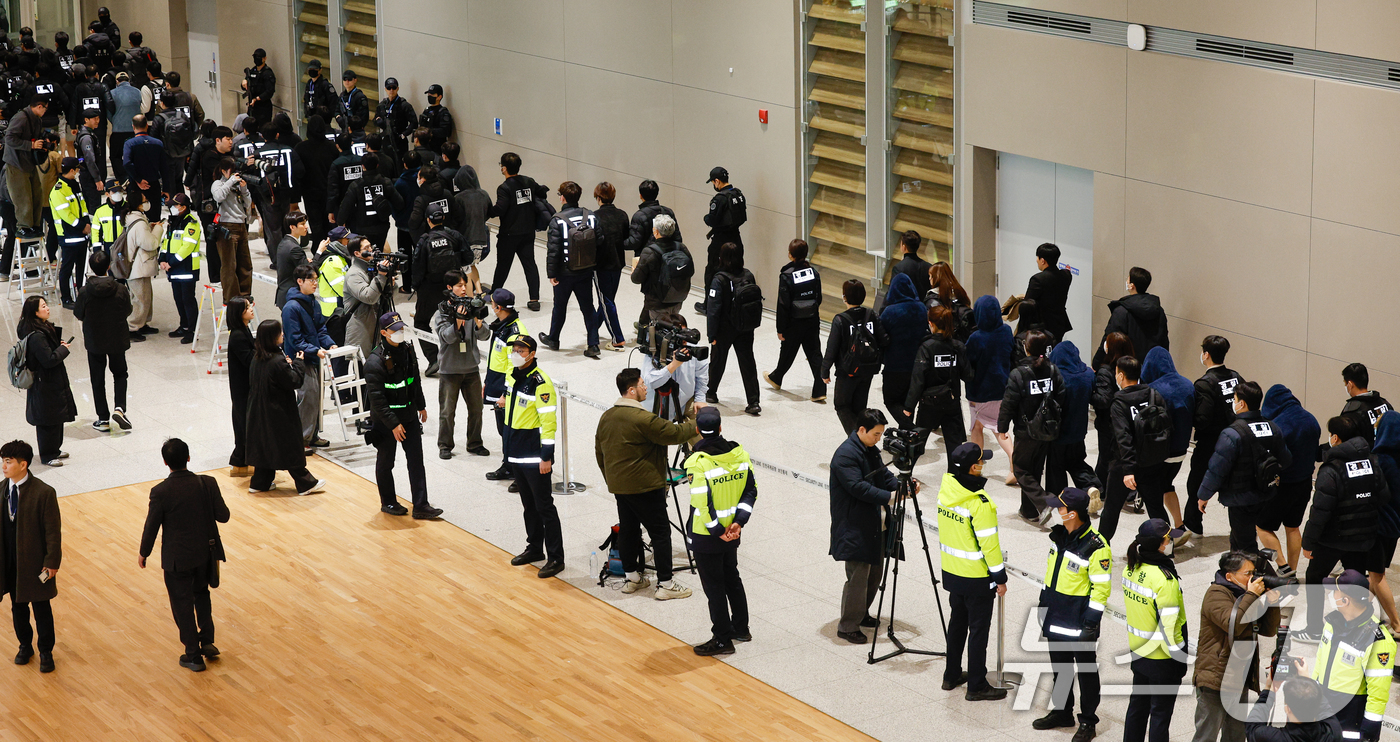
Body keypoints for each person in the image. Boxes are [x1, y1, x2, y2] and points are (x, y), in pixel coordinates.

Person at [595, 368, 697, 600]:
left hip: (620, 486)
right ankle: (666, 584)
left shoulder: (607, 416)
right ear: (631, 390)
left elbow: (599, 451)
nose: (645, 388)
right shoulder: (643, 418)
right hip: (645, 487)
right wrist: (697, 422)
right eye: (642, 384)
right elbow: (673, 433)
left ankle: (632, 578)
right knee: (660, 533)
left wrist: (612, 479)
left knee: (629, 530)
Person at [139, 438, 229, 673]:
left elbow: (152, 526)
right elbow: (224, 516)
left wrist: (144, 552)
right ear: (188, 457)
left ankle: (193, 655)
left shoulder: (160, 492)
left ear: (165, 462)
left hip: (177, 559)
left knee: (182, 604)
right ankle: (207, 640)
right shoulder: (207, 483)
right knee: (202, 595)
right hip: (205, 554)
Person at [1295, 416, 1389, 640]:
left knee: (1315, 578)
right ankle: (1360, 628)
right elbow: (1384, 496)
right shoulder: (1372, 462)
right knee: (1357, 584)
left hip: (1332, 539)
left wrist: (1308, 542)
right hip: (1363, 537)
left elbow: (1320, 512)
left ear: (1335, 438)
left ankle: (1315, 629)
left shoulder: (1331, 470)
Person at [1034, 488, 1111, 738]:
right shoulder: (1058, 538)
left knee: (1086, 672)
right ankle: (1063, 711)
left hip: (1079, 622)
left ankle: (1088, 721)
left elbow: (1101, 589)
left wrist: (1091, 623)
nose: (1057, 511)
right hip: (1055, 615)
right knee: (1061, 668)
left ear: (1073, 514)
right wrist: (1044, 602)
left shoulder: (1096, 547)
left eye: (1061, 508)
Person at [937, 442, 1008, 702]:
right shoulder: (980, 503)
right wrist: (1000, 577)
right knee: (979, 631)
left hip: (952, 572)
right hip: (977, 578)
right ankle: (977, 685)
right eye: (982, 462)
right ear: (974, 467)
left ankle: (951, 674)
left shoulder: (946, 491)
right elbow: (990, 546)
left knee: (957, 624)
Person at [684, 407, 755, 656]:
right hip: (733, 532)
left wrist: (716, 531)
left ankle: (723, 639)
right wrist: (739, 522)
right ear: (721, 427)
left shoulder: (697, 462)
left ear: (697, 431)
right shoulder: (740, 454)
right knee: (732, 578)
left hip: (708, 535)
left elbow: (702, 503)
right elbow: (750, 492)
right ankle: (741, 628)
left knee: (714, 587)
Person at [829, 409, 904, 644]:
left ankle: (862, 614)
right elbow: (858, 487)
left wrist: (902, 485)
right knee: (858, 577)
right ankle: (848, 625)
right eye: (876, 434)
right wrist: (890, 497)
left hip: (876, 523)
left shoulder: (870, 449)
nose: (879, 439)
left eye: (881, 434)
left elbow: (883, 475)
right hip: (855, 526)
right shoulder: (845, 455)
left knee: (875, 574)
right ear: (861, 430)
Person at [1192, 551, 1281, 742]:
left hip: (1239, 676)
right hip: (1216, 678)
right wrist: (1251, 595)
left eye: (1253, 573)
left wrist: (1272, 604)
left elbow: (1268, 630)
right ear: (1230, 576)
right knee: (1206, 735)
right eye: (1247, 574)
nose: (1253, 578)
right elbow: (1235, 624)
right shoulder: (1216, 594)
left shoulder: (1247, 595)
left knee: (1236, 736)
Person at [1196, 381, 1293, 553]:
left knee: (1246, 547)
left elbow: (1216, 470)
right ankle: (1236, 572)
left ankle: (1257, 575)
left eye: (1234, 399)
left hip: (1240, 499)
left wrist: (1204, 495)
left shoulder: (1232, 434)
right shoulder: (1273, 427)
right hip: (1266, 493)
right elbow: (1285, 460)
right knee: (1239, 538)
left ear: (1241, 403)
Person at [363, 312, 442, 520]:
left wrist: (421, 405)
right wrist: (393, 424)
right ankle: (388, 501)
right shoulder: (374, 362)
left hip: (408, 415)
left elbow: (414, 380)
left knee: (416, 461)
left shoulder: (407, 350)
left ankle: (421, 505)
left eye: (401, 329)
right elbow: (377, 401)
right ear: (383, 333)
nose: (400, 333)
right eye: (395, 330)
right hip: (386, 422)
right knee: (386, 462)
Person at [499, 335, 563, 578]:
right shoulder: (514, 376)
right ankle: (535, 548)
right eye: (514, 348)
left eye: (521, 349)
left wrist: (546, 456)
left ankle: (556, 557)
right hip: (515, 453)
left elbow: (549, 423)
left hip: (535, 457)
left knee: (544, 507)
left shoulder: (540, 383)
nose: (516, 352)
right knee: (529, 506)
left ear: (532, 353)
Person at [1121, 519, 1189, 742]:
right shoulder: (1164, 579)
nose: (1170, 541)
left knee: (1138, 707)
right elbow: (1170, 628)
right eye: (1169, 538)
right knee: (1160, 714)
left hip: (1139, 651)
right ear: (1161, 544)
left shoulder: (1130, 569)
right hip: (1163, 658)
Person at [1307, 570, 1395, 741]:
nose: (1331, 595)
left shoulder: (1379, 641)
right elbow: (1320, 661)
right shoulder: (1332, 624)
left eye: (1335, 592)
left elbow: (1378, 693)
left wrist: (1369, 730)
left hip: (1350, 716)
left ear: (1345, 600)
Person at [0, 439, 62, 674]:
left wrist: (51, 563)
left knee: (41, 608)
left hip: (36, 565)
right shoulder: (2, 490)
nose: (4, 467)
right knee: (18, 608)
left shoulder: (44, 493)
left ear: (23, 464)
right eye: (3, 461)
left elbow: (53, 531)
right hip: (10, 563)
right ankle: (25, 645)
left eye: (8, 462)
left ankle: (46, 650)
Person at [245, 320, 326, 496]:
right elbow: (294, 381)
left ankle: (260, 482)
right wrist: (298, 363)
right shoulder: (276, 361)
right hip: (278, 413)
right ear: (272, 337)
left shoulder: (257, 358)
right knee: (288, 445)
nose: (283, 334)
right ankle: (305, 483)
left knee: (265, 445)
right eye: (279, 332)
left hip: (258, 410)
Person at [1097, 356, 1174, 542]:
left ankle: (1099, 548)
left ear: (1121, 375)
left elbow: (1124, 438)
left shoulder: (1119, 402)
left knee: (1111, 509)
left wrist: (1129, 470)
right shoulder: (1154, 395)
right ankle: (1166, 545)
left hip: (1125, 466)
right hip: (1153, 462)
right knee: (1155, 507)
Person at [999, 329, 1066, 525]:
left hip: (1025, 430)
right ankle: (1029, 511)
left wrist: (1002, 427)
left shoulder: (1019, 374)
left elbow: (1009, 403)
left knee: (1020, 469)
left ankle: (1044, 502)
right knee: (1035, 469)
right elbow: (1062, 394)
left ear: (1026, 348)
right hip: (1048, 429)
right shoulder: (1053, 370)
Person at [1256, 385, 1320, 579]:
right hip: (1304, 484)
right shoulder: (1311, 419)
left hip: (1282, 485)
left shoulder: (1279, 425)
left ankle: (1283, 566)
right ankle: (1292, 570)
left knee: (1262, 526)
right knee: (1293, 528)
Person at [1185, 335, 1244, 541]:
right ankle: (1239, 531)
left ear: (1206, 355)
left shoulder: (1204, 384)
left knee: (1196, 484)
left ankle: (1193, 526)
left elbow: (1202, 418)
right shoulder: (1236, 376)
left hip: (1211, 443)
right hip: (1237, 438)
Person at [433, 270, 491, 459]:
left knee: (476, 410)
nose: (464, 288)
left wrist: (478, 322)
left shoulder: (472, 306)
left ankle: (474, 443)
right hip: (450, 371)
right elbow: (447, 338)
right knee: (447, 412)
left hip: (471, 370)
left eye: (465, 284)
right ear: (449, 288)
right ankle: (445, 445)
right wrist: (458, 320)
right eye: (459, 285)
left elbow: (485, 336)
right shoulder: (442, 312)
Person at [71, 250, 131, 432]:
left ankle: (103, 418)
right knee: (120, 374)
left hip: (94, 340)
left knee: (98, 379)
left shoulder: (84, 291)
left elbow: (78, 313)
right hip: (117, 338)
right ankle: (119, 408)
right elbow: (128, 310)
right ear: (108, 266)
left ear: (91, 267)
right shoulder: (121, 289)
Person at [541, 180, 601, 358]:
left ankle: (554, 339)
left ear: (563, 198)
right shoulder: (590, 216)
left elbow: (554, 250)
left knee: (560, 307)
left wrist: (552, 274)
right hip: (585, 271)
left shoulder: (557, 221)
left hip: (564, 274)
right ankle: (593, 344)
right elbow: (600, 240)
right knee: (588, 308)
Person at [1142, 347, 1196, 543]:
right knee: (1167, 484)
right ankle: (1179, 526)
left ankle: (1165, 537)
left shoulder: (1154, 389)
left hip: (1160, 451)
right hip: (1181, 450)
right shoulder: (1188, 385)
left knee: (1154, 492)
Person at [823, 280, 888, 434]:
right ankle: (863, 440)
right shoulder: (871, 314)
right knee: (860, 408)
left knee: (842, 405)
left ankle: (858, 440)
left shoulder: (840, 320)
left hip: (848, 371)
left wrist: (825, 370)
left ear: (844, 297)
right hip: (868, 369)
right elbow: (884, 339)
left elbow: (832, 348)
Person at [905, 305, 970, 457]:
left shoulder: (926, 347)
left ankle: (906, 476)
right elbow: (967, 374)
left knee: (917, 442)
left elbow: (918, 379)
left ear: (931, 324)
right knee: (954, 445)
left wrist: (909, 406)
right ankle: (953, 479)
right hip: (952, 402)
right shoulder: (958, 347)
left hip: (929, 404)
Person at [16, 297, 75, 467]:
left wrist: (58, 346)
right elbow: (48, 360)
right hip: (44, 382)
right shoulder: (36, 336)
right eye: (43, 306)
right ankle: (47, 454)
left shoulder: (42, 327)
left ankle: (55, 449)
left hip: (52, 380)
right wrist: (63, 350)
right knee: (47, 418)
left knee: (57, 415)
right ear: (35, 312)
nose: (47, 308)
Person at [282, 264, 336, 448]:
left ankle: (312, 435)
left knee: (316, 398)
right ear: (300, 281)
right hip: (300, 360)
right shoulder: (291, 308)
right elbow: (295, 339)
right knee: (307, 397)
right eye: (311, 280)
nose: (315, 284)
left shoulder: (313, 302)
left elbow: (320, 329)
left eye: (316, 280)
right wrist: (315, 350)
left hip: (314, 356)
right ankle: (300, 440)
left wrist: (329, 343)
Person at [705, 242, 761, 415]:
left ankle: (711, 392)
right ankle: (753, 401)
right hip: (745, 327)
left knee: (717, 361)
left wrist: (711, 334)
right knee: (748, 363)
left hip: (724, 329)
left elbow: (713, 310)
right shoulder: (748, 275)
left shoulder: (719, 279)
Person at [766, 239, 825, 401]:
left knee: (788, 350)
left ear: (790, 255)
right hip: (812, 320)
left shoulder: (786, 275)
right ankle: (819, 390)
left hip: (794, 322)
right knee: (814, 353)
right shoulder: (814, 273)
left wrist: (781, 328)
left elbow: (783, 304)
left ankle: (777, 377)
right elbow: (818, 297)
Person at [966, 294, 1017, 477]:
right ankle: (1013, 462)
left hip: (980, 391)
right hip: (1002, 388)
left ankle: (977, 466)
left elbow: (968, 363)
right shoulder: (1006, 332)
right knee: (999, 427)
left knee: (977, 428)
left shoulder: (976, 338)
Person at [1044, 341, 1102, 501]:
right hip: (1079, 430)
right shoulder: (1088, 374)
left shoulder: (1056, 376)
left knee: (1056, 468)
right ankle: (1090, 486)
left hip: (1059, 432)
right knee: (1076, 462)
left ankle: (1061, 499)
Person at [411, 203, 465, 372]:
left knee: (420, 322)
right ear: (443, 218)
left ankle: (434, 360)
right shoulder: (454, 235)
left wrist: (416, 286)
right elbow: (468, 255)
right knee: (458, 320)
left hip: (429, 288)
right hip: (453, 287)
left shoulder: (425, 240)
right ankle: (460, 358)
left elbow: (417, 267)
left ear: (428, 220)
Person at [492, 152, 548, 311]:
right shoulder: (528, 181)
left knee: (503, 265)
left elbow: (500, 209)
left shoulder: (504, 188)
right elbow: (542, 192)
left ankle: (494, 294)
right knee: (530, 264)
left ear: (503, 168)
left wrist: (488, 211)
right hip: (528, 232)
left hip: (509, 234)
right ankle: (534, 299)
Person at [484, 289, 529, 483]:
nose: (490, 306)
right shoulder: (503, 326)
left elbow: (515, 368)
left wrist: (505, 394)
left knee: (512, 431)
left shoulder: (515, 334)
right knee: (504, 430)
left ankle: (518, 472)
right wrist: (488, 382)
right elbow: (497, 360)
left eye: (492, 303)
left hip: (508, 391)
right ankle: (508, 466)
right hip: (497, 385)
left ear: (498, 307)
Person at [880, 272, 930, 427]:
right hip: (917, 365)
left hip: (895, 365)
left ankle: (910, 429)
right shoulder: (922, 308)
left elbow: (881, 336)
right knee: (909, 403)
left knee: (890, 400)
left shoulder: (890, 312)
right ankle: (906, 437)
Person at [640, 314, 709, 426]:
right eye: (679, 338)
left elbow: (701, 377)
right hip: (655, 409)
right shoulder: (653, 351)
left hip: (684, 403)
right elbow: (651, 382)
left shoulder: (691, 346)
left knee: (708, 420)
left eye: (684, 335)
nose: (684, 342)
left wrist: (700, 399)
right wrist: (673, 365)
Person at [696, 166, 746, 314]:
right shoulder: (738, 194)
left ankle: (708, 305)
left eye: (713, 182)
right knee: (736, 270)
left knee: (712, 271)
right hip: (736, 238)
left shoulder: (719, 199)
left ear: (717, 181)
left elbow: (712, 220)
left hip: (721, 241)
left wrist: (706, 218)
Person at [630, 214, 692, 331]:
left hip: (657, 301)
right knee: (672, 325)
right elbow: (690, 271)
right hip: (677, 297)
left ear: (656, 232)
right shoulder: (681, 248)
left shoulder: (650, 251)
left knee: (660, 333)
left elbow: (636, 279)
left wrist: (634, 270)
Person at [1369, 412, 1400, 631]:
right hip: (1395, 524)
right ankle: (1368, 612)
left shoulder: (1380, 460)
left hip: (1379, 525)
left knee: (1377, 575)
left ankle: (1397, 624)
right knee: (1375, 572)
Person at [157, 193, 202, 343]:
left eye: (175, 205)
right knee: (178, 299)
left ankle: (192, 329)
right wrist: (162, 259)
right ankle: (183, 325)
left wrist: (172, 262)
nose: (172, 208)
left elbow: (187, 247)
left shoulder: (191, 223)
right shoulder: (173, 221)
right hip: (174, 269)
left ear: (183, 207)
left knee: (187, 299)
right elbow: (166, 242)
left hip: (186, 268)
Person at [336, 151, 402, 252]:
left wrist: (341, 222)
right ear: (377, 165)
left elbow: (346, 206)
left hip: (361, 227)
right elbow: (399, 203)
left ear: (363, 166)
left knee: (363, 253)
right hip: (381, 226)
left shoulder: (356, 185)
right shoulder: (386, 182)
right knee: (378, 252)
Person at [590, 182, 629, 351]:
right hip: (618, 262)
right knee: (608, 300)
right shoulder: (622, 215)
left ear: (598, 197)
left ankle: (617, 338)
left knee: (606, 301)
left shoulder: (594, 217)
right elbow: (626, 238)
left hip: (601, 264)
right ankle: (592, 329)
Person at [3, 94, 48, 238]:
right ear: (40, 106)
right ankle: (23, 227)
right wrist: (31, 145)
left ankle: (34, 225)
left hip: (29, 163)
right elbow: (9, 138)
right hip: (16, 164)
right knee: (23, 198)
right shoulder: (21, 118)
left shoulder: (37, 120)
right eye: (45, 108)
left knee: (36, 195)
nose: (46, 111)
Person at [1101, 266, 1169, 360]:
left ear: (1132, 286)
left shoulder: (1121, 311)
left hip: (1128, 366)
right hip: (1151, 365)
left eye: (1128, 279)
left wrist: (1097, 363)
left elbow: (1109, 339)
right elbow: (1164, 340)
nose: (1126, 281)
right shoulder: (1158, 310)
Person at [343, 236, 394, 358]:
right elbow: (369, 298)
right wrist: (381, 276)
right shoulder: (354, 274)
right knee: (364, 367)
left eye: (370, 246)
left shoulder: (371, 268)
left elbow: (388, 294)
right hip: (361, 326)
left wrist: (388, 279)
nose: (371, 250)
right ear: (357, 253)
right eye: (367, 248)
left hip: (375, 321)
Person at [49, 156, 90, 308]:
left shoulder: (74, 185)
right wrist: (82, 226)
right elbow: (66, 215)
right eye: (78, 170)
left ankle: (82, 294)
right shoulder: (58, 190)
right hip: (69, 236)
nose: (79, 172)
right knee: (67, 268)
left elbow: (83, 205)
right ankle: (66, 298)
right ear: (72, 170)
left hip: (81, 235)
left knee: (81, 267)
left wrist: (87, 222)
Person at [1244, 678, 1341, 742]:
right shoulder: (1333, 732)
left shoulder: (1272, 737)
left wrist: (1269, 689)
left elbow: (1252, 727)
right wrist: (1308, 685)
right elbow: (1325, 707)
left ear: (1287, 709)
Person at [210, 156, 253, 298]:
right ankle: (231, 299)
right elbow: (218, 197)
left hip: (242, 225)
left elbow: (247, 204)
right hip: (227, 227)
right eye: (232, 171)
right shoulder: (218, 184)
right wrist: (230, 181)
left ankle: (245, 296)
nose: (236, 175)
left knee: (245, 264)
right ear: (224, 171)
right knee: (229, 266)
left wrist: (244, 189)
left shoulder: (237, 185)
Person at [296, 115, 338, 246]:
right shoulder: (331, 147)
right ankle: (329, 246)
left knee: (315, 222)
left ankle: (318, 248)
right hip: (329, 192)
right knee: (330, 222)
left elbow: (298, 172)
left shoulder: (301, 148)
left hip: (310, 193)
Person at [225, 297, 255, 477]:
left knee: (246, 423)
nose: (251, 309)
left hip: (245, 385)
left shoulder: (244, 330)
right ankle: (239, 460)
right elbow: (249, 360)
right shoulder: (237, 335)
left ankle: (243, 459)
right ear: (238, 313)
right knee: (243, 423)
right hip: (241, 388)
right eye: (247, 307)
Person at [450, 159, 492, 286]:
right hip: (483, 242)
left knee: (464, 270)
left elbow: (455, 221)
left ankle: (470, 297)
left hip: (466, 241)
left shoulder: (459, 198)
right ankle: (478, 291)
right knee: (471, 266)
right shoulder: (484, 194)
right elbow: (489, 213)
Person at [623, 179, 682, 258]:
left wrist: (617, 243)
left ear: (641, 195)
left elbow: (634, 243)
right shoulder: (668, 212)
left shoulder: (639, 216)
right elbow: (677, 238)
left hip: (646, 260)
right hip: (667, 259)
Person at [1339, 363, 1390, 448]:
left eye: (1345, 384)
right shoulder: (1385, 403)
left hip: (1367, 459)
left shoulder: (1351, 412)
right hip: (1389, 457)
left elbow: (1344, 443)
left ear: (1350, 384)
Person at [926, 261, 975, 341]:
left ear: (936, 278)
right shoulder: (959, 291)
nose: (929, 279)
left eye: (931, 276)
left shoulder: (933, 299)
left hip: (946, 340)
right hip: (963, 339)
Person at [108, 71, 141, 182]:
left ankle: (122, 177)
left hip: (118, 130)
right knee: (135, 155)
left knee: (115, 156)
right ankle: (135, 176)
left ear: (117, 82)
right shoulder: (138, 92)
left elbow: (108, 111)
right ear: (128, 80)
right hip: (135, 130)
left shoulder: (112, 93)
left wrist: (115, 120)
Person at [274, 211, 310, 308]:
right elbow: (309, 270)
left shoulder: (285, 242)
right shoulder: (294, 248)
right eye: (302, 224)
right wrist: (319, 252)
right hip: (291, 296)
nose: (306, 227)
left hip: (285, 293)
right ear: (292, 227)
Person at [374, 77, 415, 156]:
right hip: (386, 138)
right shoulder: (382, 105)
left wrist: (404, 134)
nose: (391, 90)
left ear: (398, 88)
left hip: (400, 139)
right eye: (389, 88)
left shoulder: (404, 105)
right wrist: (379, 122)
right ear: (385, 89)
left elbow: (414, 122)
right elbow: (375, 120)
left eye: (394, 88)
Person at [242, 48, 275, 124]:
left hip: (263, 108)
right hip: (252, 107)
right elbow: (246, 85)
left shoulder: (267, 73)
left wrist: (256, 99)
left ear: (264, 59)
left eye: (259, 58)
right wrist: (244, 82)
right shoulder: (252, 71)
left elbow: (269, 91)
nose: (256, 60)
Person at [418, 84, 453, 152]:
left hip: (437, 148)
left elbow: (445, 131)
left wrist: (429, 131)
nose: (429, 96)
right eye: (429, 94)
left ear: (439, 97)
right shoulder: (427, 110)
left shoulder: (443, 112)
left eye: (432, 94)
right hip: (425, 147)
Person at [303, 60, 337, 124]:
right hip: (311, 118)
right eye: (310, 69)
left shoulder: (325, 85)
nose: (312, 71)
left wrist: (328, 115)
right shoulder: (309, 83)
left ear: (320, 70)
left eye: (315, 69)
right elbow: (306, 99)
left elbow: (333, 102)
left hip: (323, 120)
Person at [338, 70, 370, 134]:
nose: (347, 82)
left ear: (355, 80)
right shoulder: (342, 96)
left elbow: (364, 115)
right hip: (345, 128)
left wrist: (357, 125)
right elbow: (337, 109)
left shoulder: (360, 96)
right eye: (345, 79)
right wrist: (338, 117)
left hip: (357, 129)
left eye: (349, 79)